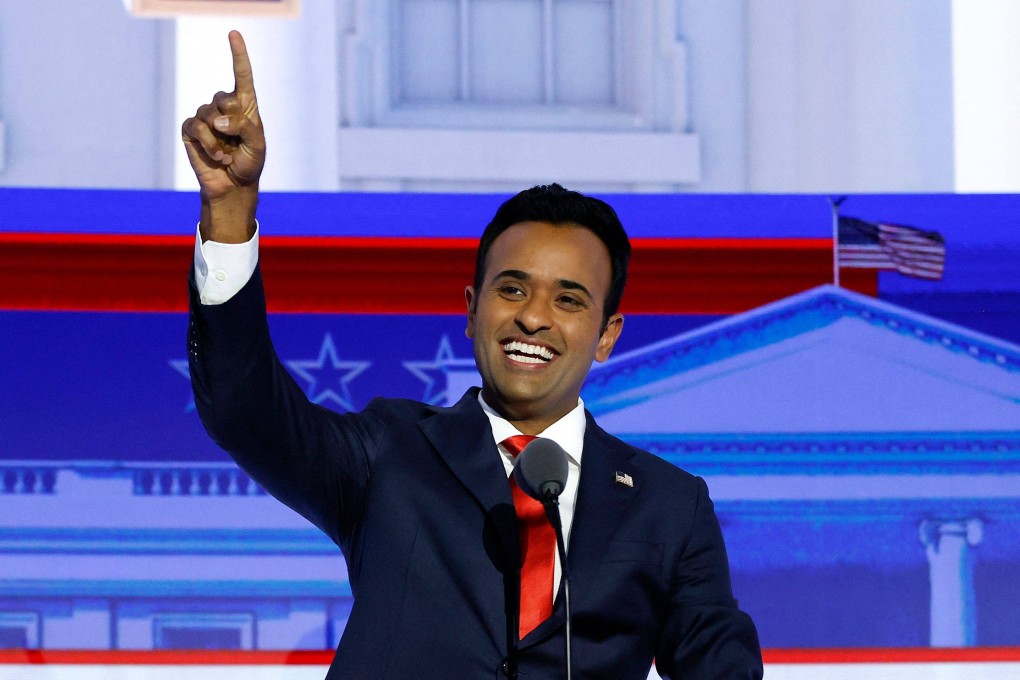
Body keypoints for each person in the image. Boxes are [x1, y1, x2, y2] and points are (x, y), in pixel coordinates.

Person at [182, 31, 762, 680]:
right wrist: (230, 210)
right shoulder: (391, 453)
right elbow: (244, 410)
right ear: (470, 309)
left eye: (568, 300)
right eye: (511, 289)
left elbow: (720, 665)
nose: (533, 316)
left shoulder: (667, 504)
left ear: (606, 334)